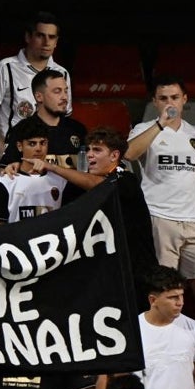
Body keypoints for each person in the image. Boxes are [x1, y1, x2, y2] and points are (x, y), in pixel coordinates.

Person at [126, 76, 195, 343]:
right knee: (163, 292)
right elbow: (129, 154)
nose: (170, 103)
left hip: (194, 221)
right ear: (155, 102)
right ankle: (162, 347)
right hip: (160, 218)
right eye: (163, 98)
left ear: (185, 100)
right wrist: (160, 125)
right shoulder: (144, 129)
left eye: (175, 97)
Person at [0, 11, 72, 217]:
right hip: (11, 164)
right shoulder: (5, 69)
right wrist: (0, 161)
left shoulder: (62, 73)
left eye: (52, 37)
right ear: (28, 37)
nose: (46, 42)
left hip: (45, 164)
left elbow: (62, 120)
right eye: (40, 35)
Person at [40, 127, 155, 297]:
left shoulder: (127, 180)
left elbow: (100, 186)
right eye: (88, 149)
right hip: (98, 269)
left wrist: (54, 168)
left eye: (97, 150)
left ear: (114, 156)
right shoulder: (77, 184)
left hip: (134, 271)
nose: (89, 155)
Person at [0, 68, 86, 170]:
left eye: (66, 91)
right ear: (39, 97)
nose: (64, 97)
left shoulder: (78, 129)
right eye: (57, 91)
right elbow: (5, 170)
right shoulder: (21, 130)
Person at [0, 116, 65, 223]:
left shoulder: (60, 180)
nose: (38, 148)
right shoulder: (6, 181)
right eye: (32, 143)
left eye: (43, 143)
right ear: (19, 146)